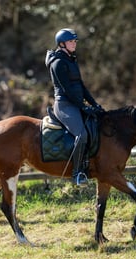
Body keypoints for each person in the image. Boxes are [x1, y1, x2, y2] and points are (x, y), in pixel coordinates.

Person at [45, 28, 104, 186]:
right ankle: (77, 173)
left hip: (76, 103)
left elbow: (81, 87)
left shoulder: (72, 60)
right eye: (71, 41)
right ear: (62, 44)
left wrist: (94, 104)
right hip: (64, 105)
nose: (74, 44)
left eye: (75, 41)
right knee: (82, 135)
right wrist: (84, 108)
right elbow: (67, 90)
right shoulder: (57, 63)